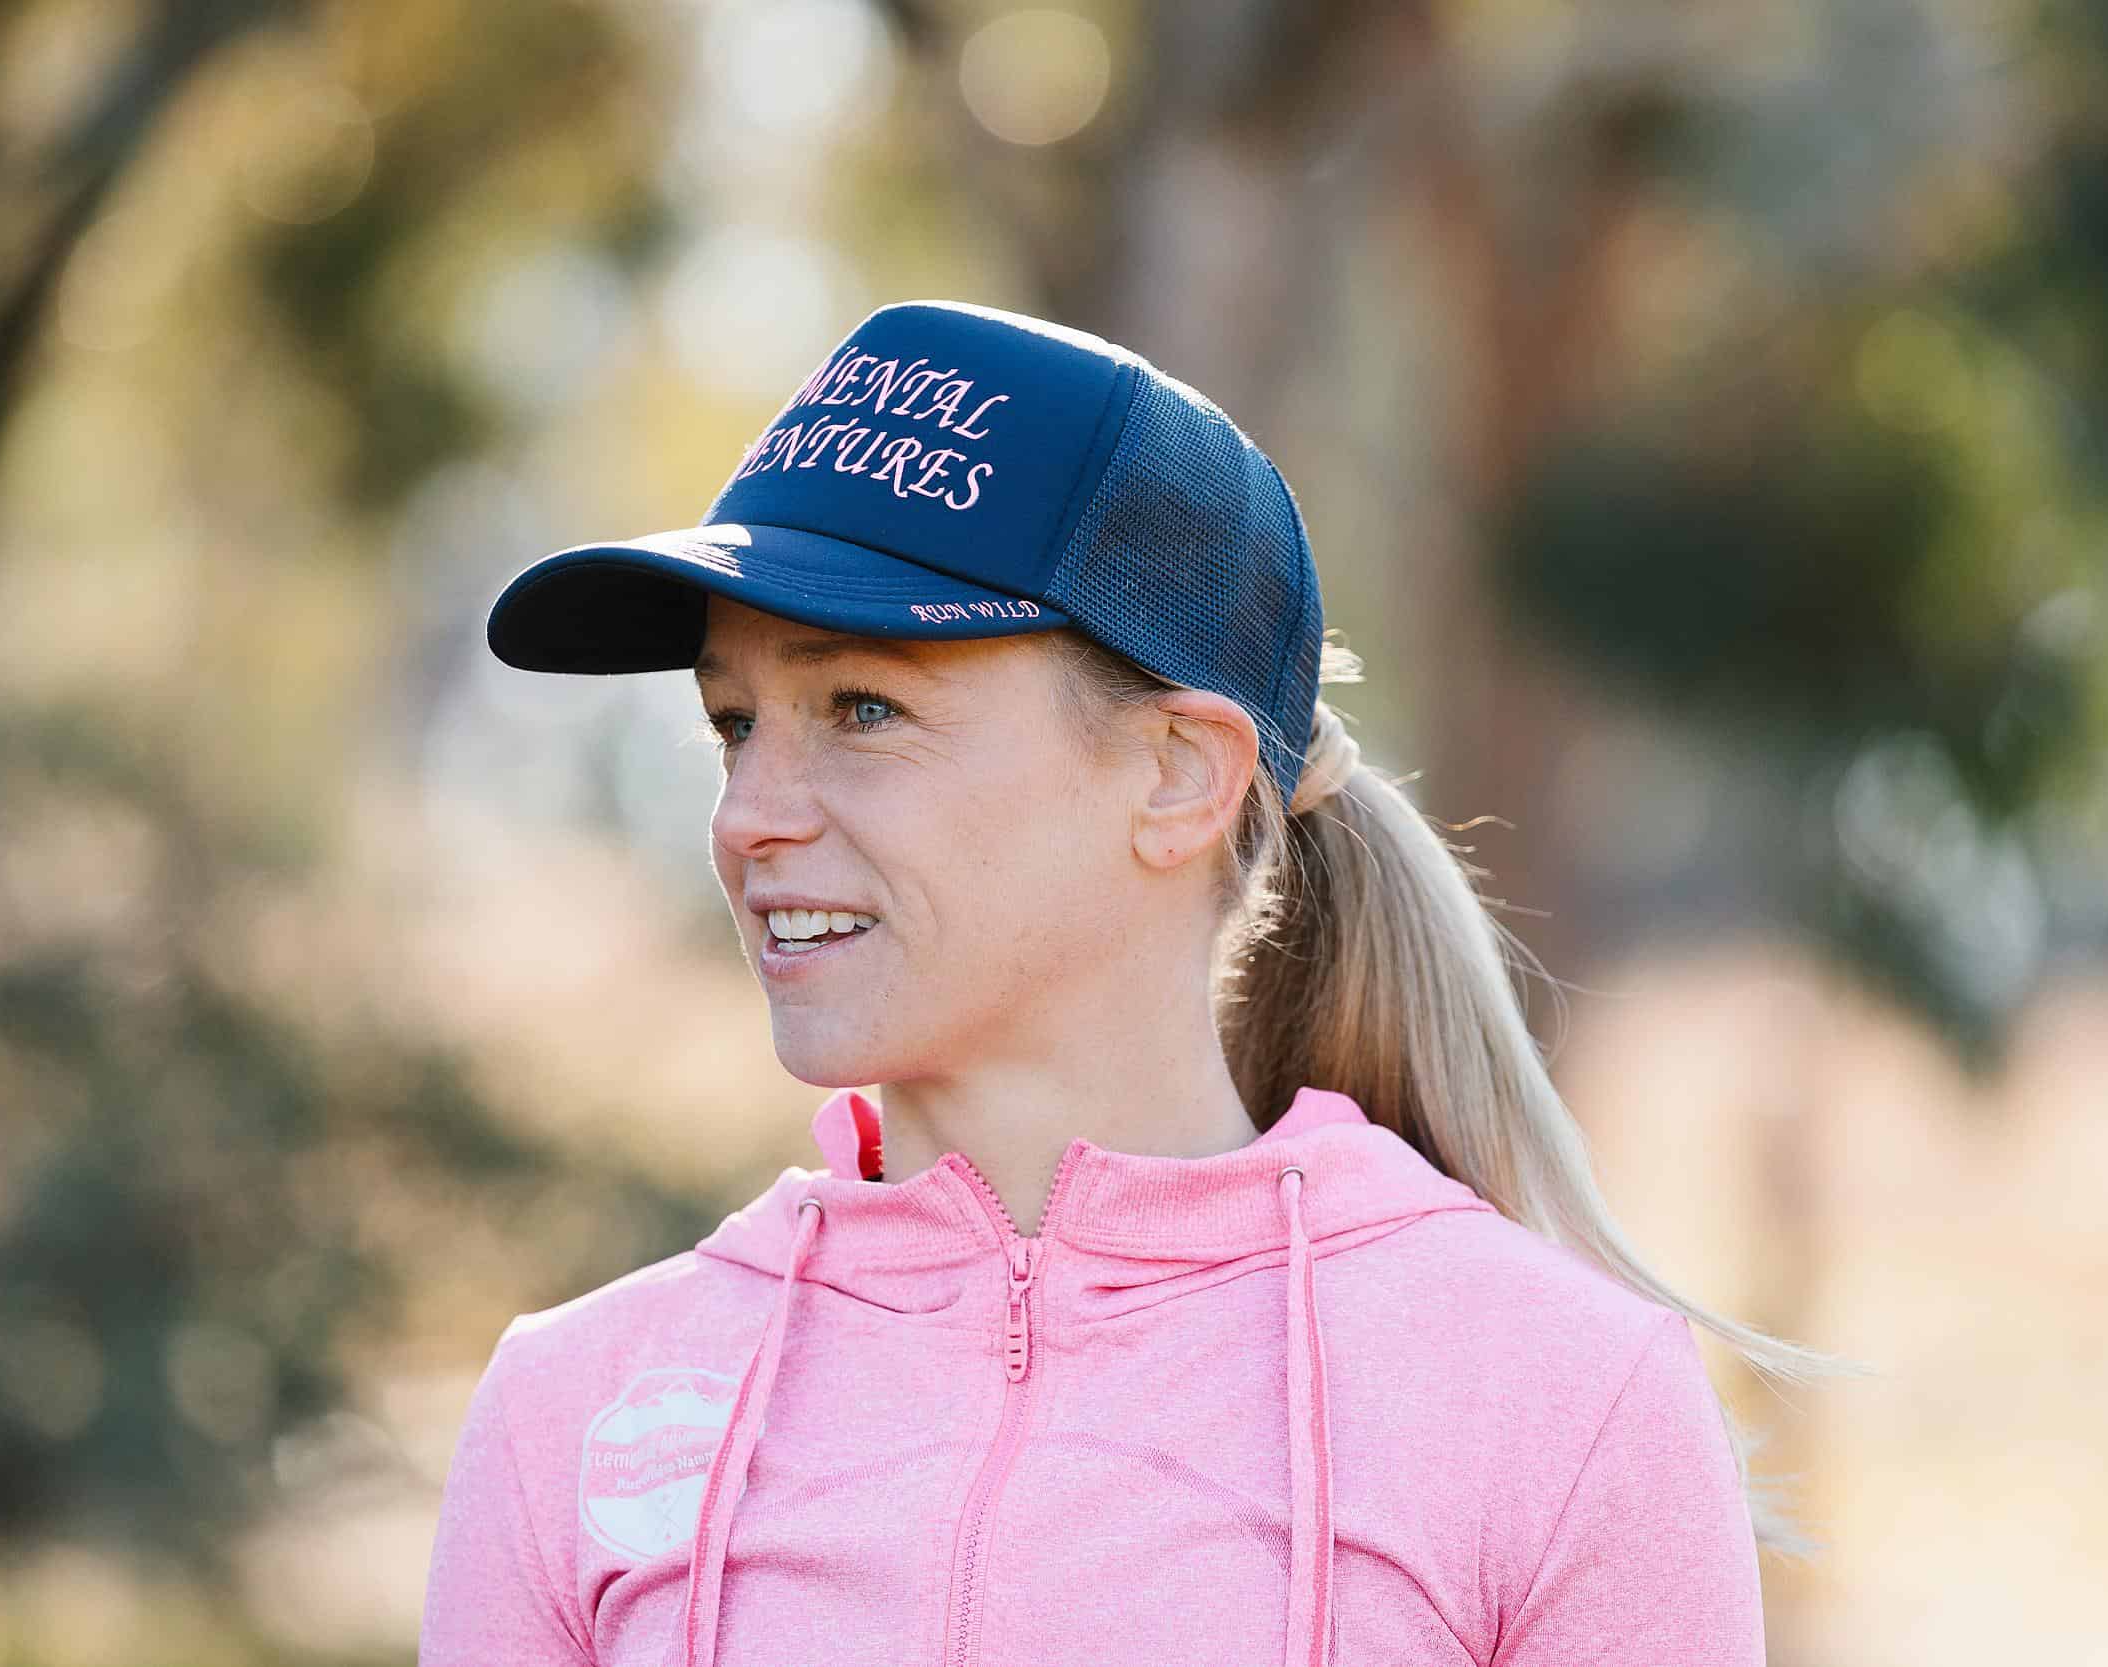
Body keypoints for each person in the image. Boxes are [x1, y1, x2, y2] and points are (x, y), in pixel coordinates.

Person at [419, 299, 1848, 1666]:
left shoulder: (1560, 1406)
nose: (749, 818)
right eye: (735, 726)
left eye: (864, 708)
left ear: (1178, 778)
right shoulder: (575, 1410)